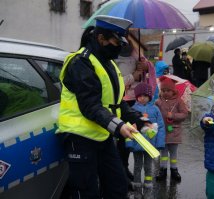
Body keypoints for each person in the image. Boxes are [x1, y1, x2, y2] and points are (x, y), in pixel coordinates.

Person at [57, 15, 150, 199]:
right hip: (80, 138)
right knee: (86, 192)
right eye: (117, 42)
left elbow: (116, 102)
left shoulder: (107, 63)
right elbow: (90, 105)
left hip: (102, 135)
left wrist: (138, 119)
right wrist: (119, 125)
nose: (120, 47)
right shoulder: (81, 62)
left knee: (118, 186)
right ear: (101, 39)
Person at [115, 38, 157, 184]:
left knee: (136, 135)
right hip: (122, 101)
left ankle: (127, 169)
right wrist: (133, 76)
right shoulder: (113, 56)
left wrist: (145, 67)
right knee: (123, 137)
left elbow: (148, 72)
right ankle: (123, 169)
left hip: (136, 100)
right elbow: (115, 81)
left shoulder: (136, 52)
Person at [126, 82, 166, 199]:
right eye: (140, 95)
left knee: (148, 166)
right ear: (136, 96)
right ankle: (137, 187)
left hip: (150, 145)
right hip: (137, 144)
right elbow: (128, 126)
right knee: (137, 166)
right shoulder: (132, 109)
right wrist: (129, 143)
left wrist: (159, 143)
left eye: (145, 95)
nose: (142, 98)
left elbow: (161, 127)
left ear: (149, 96)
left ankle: (148, 186)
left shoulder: (155, 109)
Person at [155, 76, 188, 182]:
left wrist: (173, 115)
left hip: (174, 131)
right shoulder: (158, 102)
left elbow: (184, 114)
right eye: (163, 90)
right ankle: (163, 169)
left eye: (168, 90)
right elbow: (154, 114)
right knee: (163, 153)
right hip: (162, 131)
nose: (165, 93)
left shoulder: (179, 101)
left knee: (173, 153)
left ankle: (174, 170)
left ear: (173, 91)